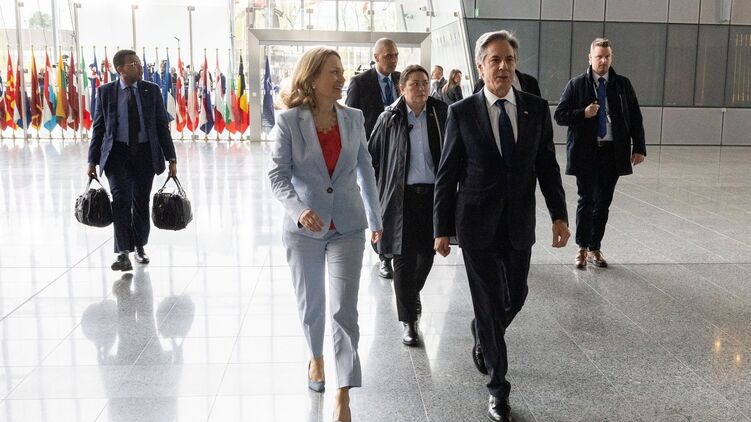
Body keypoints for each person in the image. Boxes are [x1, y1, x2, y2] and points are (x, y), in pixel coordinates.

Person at [433, 30, 569, 422]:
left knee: (517, 294)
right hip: (475, 224)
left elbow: (547, 165)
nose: (503, 67)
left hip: (518, 223)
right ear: (480, 67)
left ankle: (483, 330)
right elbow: (447, 174)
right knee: (489, 302)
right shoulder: (462, 112)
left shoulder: (534, 109)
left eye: (509, 59)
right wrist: (441, 228)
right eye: (494, 60)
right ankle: (498, 387)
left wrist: (559, 215)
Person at [268, 46, 383, 422]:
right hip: (304, 230)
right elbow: (277, 176)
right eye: (333, 72)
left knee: (343, 310)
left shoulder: (354, 118)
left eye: (341, 71)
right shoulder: (289, 122)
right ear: (312, 77)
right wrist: (299, 210)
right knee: (312, 304)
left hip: (347, 226)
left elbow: (365, 169)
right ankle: (315, 357)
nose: (341, 78)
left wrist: (376, 219)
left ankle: (343, 392)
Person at [368, 64, 448, 347]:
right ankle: (409, 322)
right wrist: (377, 195)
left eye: (425, 83)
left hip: (434, 197)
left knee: (427, 256)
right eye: (415, 84)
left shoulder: (441, 113)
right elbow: (372, 157)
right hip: (401, 197)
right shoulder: (389, 117)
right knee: (403, 257)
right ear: (402, 88)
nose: (421, 88)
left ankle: (411, 295)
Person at [554, 38, 646, 269]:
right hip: (586, 152)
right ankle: (582, 248)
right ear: (590, 58)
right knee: (586, 200)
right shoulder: (576, 84)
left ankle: (595, 248)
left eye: (607, 57)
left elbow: (635, 116)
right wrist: (583, 113)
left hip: (612, 153)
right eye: (599, 57)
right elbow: (560, 115)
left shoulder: (622, 84)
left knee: (603, 202)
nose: (603, 61)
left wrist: (639, 147)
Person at [87, 49, 177, 272]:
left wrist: (171, 158)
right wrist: (92, 161)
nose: (139, 67)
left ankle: (139, 246)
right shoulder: (106, 92)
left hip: (145, 155)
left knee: (140, 202)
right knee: (120, 202)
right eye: (133, 64)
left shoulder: (151, 90)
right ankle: (123, 253)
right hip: (117, 155)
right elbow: (98, 128)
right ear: (120, 69)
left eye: (138, 63)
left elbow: (162, 126)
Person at [345, 38, 401, 279]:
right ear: (376, 57)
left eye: (395, 55)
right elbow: (349, 119)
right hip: (373, 156)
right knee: (379, 204)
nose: (393, 59)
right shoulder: (360, 82)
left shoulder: (401, 79)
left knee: (397, 203)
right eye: (388, 55)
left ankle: (395, 251)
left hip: (400, 153)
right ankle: (384, 256)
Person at [473, 69, 541, 98]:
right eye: (496, 60)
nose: (503, 65)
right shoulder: (481, 85)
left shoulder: (530, 82)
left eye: (509, 59)